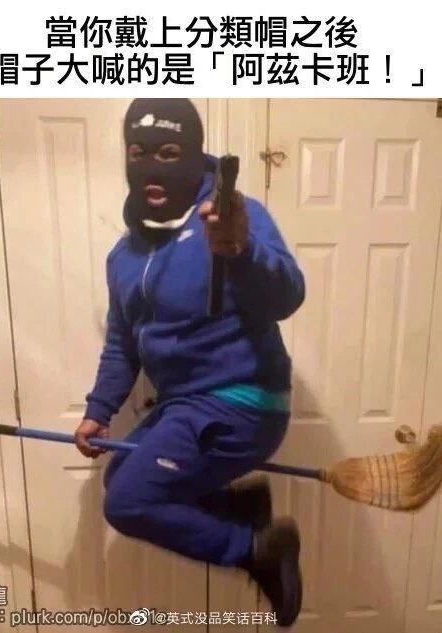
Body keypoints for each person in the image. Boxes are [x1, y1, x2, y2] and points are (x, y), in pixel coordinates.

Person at [75, 98, 306, 627]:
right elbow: (122, 342)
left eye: (169, 152)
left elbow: (288, 295)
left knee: (127, 503)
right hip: (185, 405)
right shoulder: (124, 256)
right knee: (120, 477)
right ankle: (244, 512)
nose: (151, 166)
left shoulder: (232, 218)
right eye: (138, 152)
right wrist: (98, 410)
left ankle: (258, 549)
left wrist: (241, 250)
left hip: (241, 400)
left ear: (195, 154)